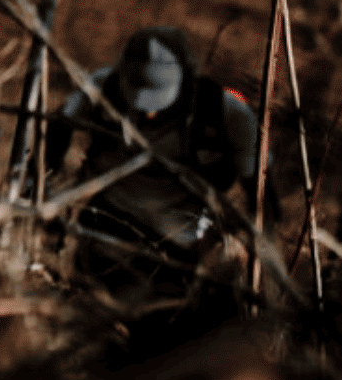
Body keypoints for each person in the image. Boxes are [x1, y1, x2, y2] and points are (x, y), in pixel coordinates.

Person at [56, 24, 263, 254]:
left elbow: (255, 183)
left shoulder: (222, 110)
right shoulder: (102, 88)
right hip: (105, 221)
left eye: (158, 94)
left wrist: (248, 234)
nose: (148, 111)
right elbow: (58, 124)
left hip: (182, 239)